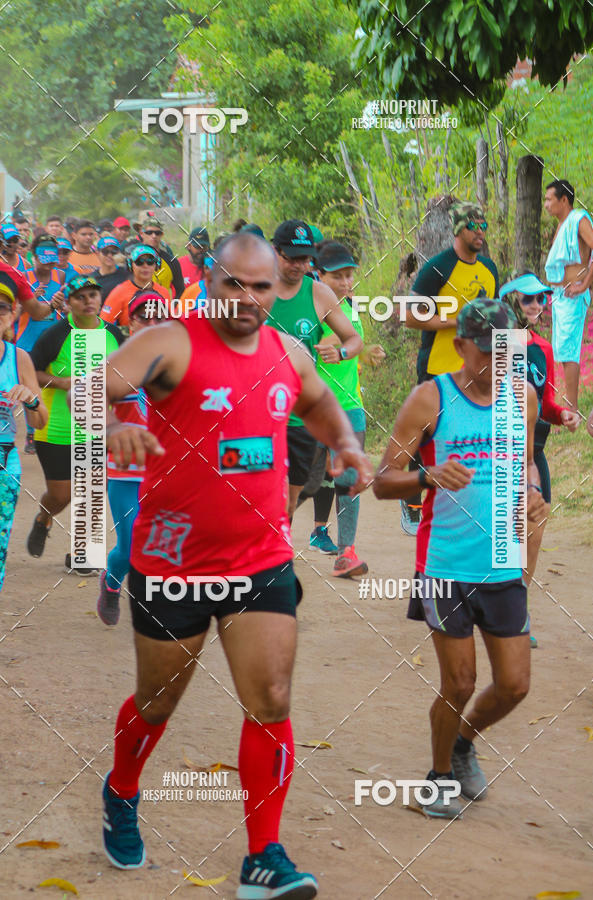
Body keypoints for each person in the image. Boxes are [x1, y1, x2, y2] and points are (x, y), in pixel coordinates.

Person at [99, 233, 372, 897]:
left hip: (261, 558)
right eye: (234, 286)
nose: (248, 300)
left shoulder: (289, 351)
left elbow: (315, 400)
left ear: (278, 287)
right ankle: (122, 789)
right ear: (209, 282)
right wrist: (115, 424)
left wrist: (346, 444)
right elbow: (94, 385)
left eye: (262, 287)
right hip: (174, 560)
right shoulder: (173, 340)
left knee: (271, 698)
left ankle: (263, 856)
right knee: (160, 702)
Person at [373, 299, 546, 818]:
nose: (496, 359)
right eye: (485, 349)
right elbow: (382, 481)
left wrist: (533, 492)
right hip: (445, 562)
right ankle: (439, 776)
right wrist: (427, 476)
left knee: (515, 684)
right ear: (460, 346)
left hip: (502, 555)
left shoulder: (524, 396)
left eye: (505, 348)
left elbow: (530, 462)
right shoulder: (431, 399)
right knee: (460, 682)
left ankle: (465, 742)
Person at [401, 201, 499, 536]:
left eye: (483, 226)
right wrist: (454, 321)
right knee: (425, 436)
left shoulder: (488, 269)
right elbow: (410, 316)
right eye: (473, 226)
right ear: (458, 229)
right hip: (437, 365)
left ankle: (464, 506)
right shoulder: (437, 268)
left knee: (466, 436)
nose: (480, 232)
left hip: (474, 369)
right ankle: (411, 499)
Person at [499, 273, 579, 646]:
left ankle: (518, 606)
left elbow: (544, 403)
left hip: (536, 451)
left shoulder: (542, 347)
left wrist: (561, 414)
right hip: (502, 452)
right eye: (528, 300)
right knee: (504, 530)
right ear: (513, 301)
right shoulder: (500, 343)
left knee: (534, 526)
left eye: (541, 299)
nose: (536, 306)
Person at [26, 276, 124, 571]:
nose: (89, 301)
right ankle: (44, 518)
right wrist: (63, 381)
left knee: (91, 491)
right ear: (68, 303)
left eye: (93, 295)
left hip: (96, 428)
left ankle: (83, 553)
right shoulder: (56, 334)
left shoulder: (114, 334)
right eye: (81, 297)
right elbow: (31, 371)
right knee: (62, 494)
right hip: (55, 427)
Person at [267, 220, 363, 519]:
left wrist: (341, 352)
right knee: (259, 487)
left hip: (299, 413)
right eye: (290, 257)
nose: (298, 265)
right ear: (274, 251)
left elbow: (354, 338)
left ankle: (278, 554)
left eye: (304, 258)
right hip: (259, 409)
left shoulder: (319, 294)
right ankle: (258, 557)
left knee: (292, 495)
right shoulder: (255, 289)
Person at [307, 240, 386, 576]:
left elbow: (352, 348)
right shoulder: (308, 311)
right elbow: (306, 350)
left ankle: (346, 553)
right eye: (337, 276)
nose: (345, 282)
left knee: (351, 477)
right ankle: (272, 547)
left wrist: (367, 352)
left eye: (349, 275)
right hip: (312, 407)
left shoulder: (351, 308)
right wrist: (337, 345)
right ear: (318, 274)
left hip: (350, 405)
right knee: (304, 480)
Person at [97, 290, 165, 626]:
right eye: (142, 317)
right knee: (131, 545)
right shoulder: (116, 366)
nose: (151, 323)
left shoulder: (179, 365)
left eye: (157, 317)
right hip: (126, 473)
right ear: (130, 323)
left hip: (167, 473)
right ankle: (111, 583)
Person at [0, 288, 48, 589]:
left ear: (13, 315)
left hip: (4, 461)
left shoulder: (18, 359)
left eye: (3, 308)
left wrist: (31, 400)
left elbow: (39, 419)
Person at [543, 179, 593, 413]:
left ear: (563, 200)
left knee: (568, 350)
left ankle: (572, 407)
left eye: (549, 199)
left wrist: (585, 284)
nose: (546, 204)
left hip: (573, 294)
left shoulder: (578, 219)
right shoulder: (562, 224)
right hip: (560, 296)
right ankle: (569, 404)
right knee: (564, 351)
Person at [17, 235, 65, 454]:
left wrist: (63, 307)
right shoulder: (22, 276)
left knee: (49, 386)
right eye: (43, 258)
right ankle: (30, 433)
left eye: (52, 258)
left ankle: (47, 431)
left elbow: (66, 307)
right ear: (34, 256)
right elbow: (13, 312)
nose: (48, 263)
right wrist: (30, 301)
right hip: (26, 340)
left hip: (52, 339)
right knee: (29, 388)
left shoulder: (60, 275)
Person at [100, 245, 170, 328]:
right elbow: (104, 326)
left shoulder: (163, 292)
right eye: (139, 262)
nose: (145, 266)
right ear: (130, 265)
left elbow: (169, 323)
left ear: (156, 265)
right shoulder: (119, 292)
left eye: (150, 261)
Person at [138, 218, 184, 297]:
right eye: (149, 232)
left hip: (162, 307)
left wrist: (173, 307)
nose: (154, 236)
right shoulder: (133, 259)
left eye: (157, 233)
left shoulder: (171, 261)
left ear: (162, 235)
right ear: (142, 233)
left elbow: (180, 290)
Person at [91, 236, 128, 303]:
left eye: (114, 252)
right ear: (98, 253)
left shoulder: (127, 275)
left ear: (118, 253)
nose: (110, 255)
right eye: (105, 251)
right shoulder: (92, 279)